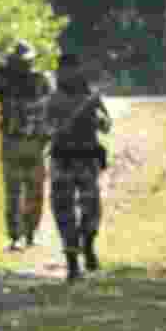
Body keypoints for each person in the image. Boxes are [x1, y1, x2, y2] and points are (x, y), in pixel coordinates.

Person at [0, 40, 55, 251]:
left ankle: (29, 234)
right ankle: (16, 236)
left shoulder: (41, 79)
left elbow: (53, 106)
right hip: (13, 143)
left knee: (34, 192)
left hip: (35, 143)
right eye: (21, 62)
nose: (24, 66)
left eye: (26, 61)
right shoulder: (4, 81)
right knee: (14, 192)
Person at [46, 53, 112, 281]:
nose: (68, 75)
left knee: (91, 210)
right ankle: (72, 261)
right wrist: (57, 129)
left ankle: (88, 244)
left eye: (72, 69)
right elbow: (44, 128)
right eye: (64, 70)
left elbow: (106, 125)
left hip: (87, 160)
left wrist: (97, 119)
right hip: (62, 160)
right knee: (63, 212)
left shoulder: (90, 96)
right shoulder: (53, 99)